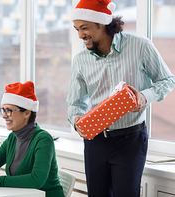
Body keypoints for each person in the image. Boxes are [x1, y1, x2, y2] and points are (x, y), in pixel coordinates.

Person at [66, 0, 175, 196]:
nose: (81, 35)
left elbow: (167, 80)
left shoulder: (140, 46)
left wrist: (144, 96)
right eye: (77, 30)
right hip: (95, 142)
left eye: (85, 28)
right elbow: (76, 103)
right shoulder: (81, 60)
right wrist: (76, 120)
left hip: (130, 140)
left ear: (102, 23)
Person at [0, 81, 64, 197]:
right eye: (3, 110)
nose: (4, 116)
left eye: (9, 111)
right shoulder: (13, 138)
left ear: (26, 113)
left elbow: (36, 179)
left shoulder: (43, 139)